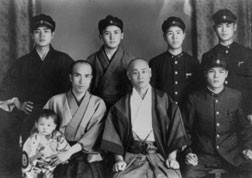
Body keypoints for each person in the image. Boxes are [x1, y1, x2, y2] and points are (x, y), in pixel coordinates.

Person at [0, 14, 73, 177]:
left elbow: (75, 90)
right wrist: (19, 104)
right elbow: (5, 91)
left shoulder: (64, 60)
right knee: (31, 164)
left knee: (57, 163)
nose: (42, 35)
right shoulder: (22, 63)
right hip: (30, 119)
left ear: (52, 34)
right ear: (32, 35)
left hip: (58, 120)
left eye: (46, 31)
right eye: (37, 31)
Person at [101, 59, 187, 178]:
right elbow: (114, 135)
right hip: (132, 156)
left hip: (159, 155)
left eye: (144, 71)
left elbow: (175, 129)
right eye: (135, 73)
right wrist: (119, 160)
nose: (140, 76)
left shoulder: (164, 100)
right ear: (129, 76)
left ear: (150, 73)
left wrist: (172, 157)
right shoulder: (120, 106)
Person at [182, 55, 252, 178]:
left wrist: (248, 148)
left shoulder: (236, 96)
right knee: (188, 174)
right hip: (203, 157)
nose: (216, 76)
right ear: (205, 74)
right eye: (211, 72)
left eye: (221, 72)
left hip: (233, 156)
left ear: (226, 74)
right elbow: (185, 130)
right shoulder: (194, 98)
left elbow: (245, 128)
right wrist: (188, 153)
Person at [44, 60, 106, 178]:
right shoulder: (55, 101)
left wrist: (69, 152)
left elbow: (94, 135)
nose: (82, 81)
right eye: (77, 75)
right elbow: (42, 129)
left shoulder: (98, 103)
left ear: (91, 78)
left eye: (87, 76)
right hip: (57, 154)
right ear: (71, 77)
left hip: (85, 155)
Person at [201, 8, 252, 123]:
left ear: (235, 28)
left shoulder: (248, 54)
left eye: (228, 25)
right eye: (220, 26)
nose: (224, 30)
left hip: (244, 113)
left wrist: (250, 111)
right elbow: (204, 88)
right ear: (214, 29)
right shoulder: (208, 56)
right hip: (218, 113)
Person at [149, 16, 201, 108]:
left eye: (178, 33)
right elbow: (152, 93)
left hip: (187, 113)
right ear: (164, 37)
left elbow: (198, 92)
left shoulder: (193, 62)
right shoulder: (155, 63)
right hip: (164, 113)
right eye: (170, 33)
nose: (175, 37)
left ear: (183, 35)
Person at [86, 15, 134, 108]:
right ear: (101, 36)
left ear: (122, 35)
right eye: (107, 33)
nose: (112, 37)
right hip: (97, 106)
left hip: (123, 107)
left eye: (116, 33)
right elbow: (86, 89)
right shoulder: (91, 60)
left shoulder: (130, 60)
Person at [22, 109, 70, 178]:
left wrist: (63, 157)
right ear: (36, 124)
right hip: (35, 165)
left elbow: (66, 149)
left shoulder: (58, 137)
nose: (45, 128)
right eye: (42, 124)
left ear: (54, 127)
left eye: (48, 125)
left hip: (51, 166)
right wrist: (29, 164)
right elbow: (25, 154)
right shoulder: (33, 138)